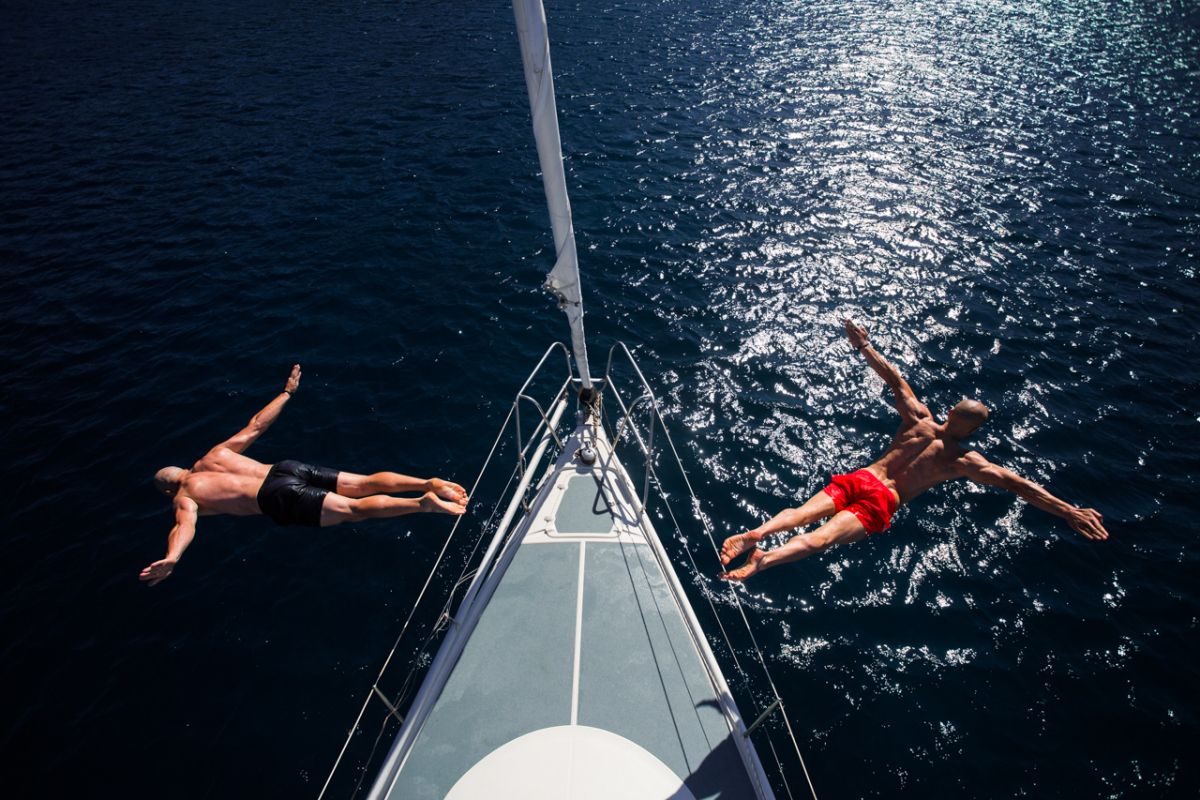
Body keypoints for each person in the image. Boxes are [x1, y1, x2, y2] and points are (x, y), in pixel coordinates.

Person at [718, 320, 1109, 582]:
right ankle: (764, 560)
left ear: (951, 412)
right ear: (973, 431)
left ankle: (758, 533)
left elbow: (893, 378)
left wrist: (863, 344)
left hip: (863, 477)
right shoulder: (964, 461)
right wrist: (1069, 511)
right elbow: (1018, 485)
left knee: (801, 513)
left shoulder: (919, 419)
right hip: (882, 500)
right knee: (820, 539)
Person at [140, 365, 468, 586]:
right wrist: (287, 392)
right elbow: (256, 426)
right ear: (182, 467)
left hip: (276, 497)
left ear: (169, 490)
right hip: (285, 468)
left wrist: (173, 557)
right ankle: (426, 482)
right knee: (363, 482)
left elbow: (185, 526)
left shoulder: (185, 496)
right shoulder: (214, 454)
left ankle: (421, 503)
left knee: (354, 510)